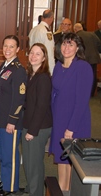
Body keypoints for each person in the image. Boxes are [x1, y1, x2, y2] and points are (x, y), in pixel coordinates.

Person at [49, 32, 93, 192]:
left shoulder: (83, 67)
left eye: (71, 44)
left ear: (77, 48)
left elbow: (82, 101)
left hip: (75, 121)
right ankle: (63, 190)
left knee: (72, 161)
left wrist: (71, 128)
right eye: (64, 44)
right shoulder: (58, 66)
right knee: (62, 159)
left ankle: (67, 190)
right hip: (59, 118)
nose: (66, 47)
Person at [0, 35, 27, 195]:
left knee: (10, 157)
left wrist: (12, 121)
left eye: (11, 46)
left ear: (18, 49)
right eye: (5, 46)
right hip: (1, 118)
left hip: (10, 121)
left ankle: (10, 187)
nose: (7, 49)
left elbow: (19, 99)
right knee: (3, 155)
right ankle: (5, 181)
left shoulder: (19, 70)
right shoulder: (5, 66)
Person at [22, 43, 52, 196]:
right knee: (28, 162)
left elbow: (41, 107)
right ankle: (33, 189)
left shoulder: (43, 78)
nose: (33, 56)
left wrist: (32, 131)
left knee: (34, 165)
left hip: (38, 128)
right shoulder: (30, 75)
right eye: (31, 53)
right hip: (28, 124)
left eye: (38, 54)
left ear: (44, 58)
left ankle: (36, 193)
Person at [73, 23, 101, 97]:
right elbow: (99, 43)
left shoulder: (76, 36)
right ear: (82, 28)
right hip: (93, 58)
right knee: (93, 75)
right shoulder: (92, 34)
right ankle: (91, 93)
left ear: (75, 29)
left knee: (82, 76)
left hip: (82, 58)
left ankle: (82, 92)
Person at [29, 9, 55, 74]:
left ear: (43, 17)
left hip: (33, 63)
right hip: (43, 66)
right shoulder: (46, 31)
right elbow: (49, 52)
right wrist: (52, 71)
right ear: (51, 18)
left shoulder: (33, 29)